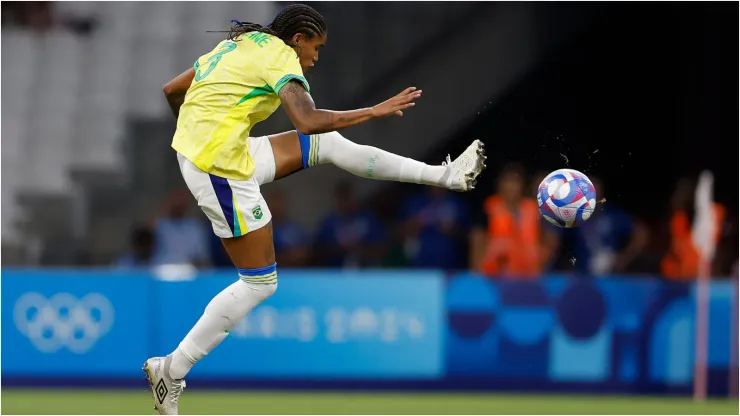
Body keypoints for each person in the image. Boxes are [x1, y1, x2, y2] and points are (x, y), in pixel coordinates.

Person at [142, 4, 486, 414]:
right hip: (219, 168)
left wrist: (197, 135)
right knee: (259, 283)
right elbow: (306, 120)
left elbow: (172, 90)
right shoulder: (281, 57)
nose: (316, 58)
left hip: (217, 152)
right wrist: (372, 111)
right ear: (298, 38)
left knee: (332, 147)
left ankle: (446, 176)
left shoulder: (241, 43)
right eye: (316, 47)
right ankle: (173, 370)